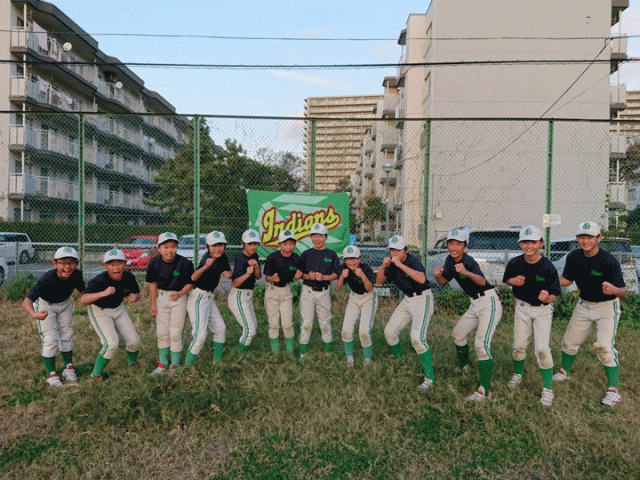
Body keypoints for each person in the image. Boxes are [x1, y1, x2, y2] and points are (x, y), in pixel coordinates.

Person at [552, 222, 626, 407]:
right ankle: (563, 373)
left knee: (604, 346)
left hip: (607, 307)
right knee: (569, 341)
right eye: (581, 237)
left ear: (599, 238)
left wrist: (614, 289)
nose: (585, 241)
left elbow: (623, 291)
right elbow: (567, 281)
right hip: (584, 304)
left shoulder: (609, 261)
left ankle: (613, 391)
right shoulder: (574, 256)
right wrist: (548, 279)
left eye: (590, 237)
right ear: (577, 239)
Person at [433, 229, 502, 401]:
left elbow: (481, 281)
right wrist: (438, 276)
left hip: (489, 302)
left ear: (465, 246)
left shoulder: (468, 261)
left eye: (458, 244)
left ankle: (484, 391)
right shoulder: (449, 260)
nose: (454, 247)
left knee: (481, 344)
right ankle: (464, 366)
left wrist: (465, 272)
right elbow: (442, 282)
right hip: (475, 303)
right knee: (458, 334)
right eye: (451, 243)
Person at [502, 226, 560, 407]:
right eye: (525, 242)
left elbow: (555, 293)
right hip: (522, 307)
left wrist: (548, 297)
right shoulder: (515, 263)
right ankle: (518, 374)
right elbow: (506, 279)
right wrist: (513, 281)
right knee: (519, 345)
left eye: (533, 242)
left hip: (542, 310)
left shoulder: (547, 266)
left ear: (540, 243)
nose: (529, 246)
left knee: (542, 349)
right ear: (520, 243)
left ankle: (548, 389)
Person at [377, 235, 435, 392]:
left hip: (423, 298)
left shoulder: (411, 261)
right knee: (389, 332)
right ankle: (399, 362)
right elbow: (379, 281)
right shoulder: (392, 262)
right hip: (407, 300)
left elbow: (422, 279)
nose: (394, 253)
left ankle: (430, 378)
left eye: (398, 250)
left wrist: (399, 265)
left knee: (417, 338)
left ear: (406, 250)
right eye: (392, 250)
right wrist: (384, 266)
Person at [22, 246, 85, 387]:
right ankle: (51, 373)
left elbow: (83, 291)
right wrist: (34, 314)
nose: (67, 267)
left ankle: (68, 367)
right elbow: (27, 301)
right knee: (50, 338)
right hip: (46, 305)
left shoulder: (77, 274)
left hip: (65, 303)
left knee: (67, 333)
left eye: (71, 263)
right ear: (54, 263)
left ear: (77, 263)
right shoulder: (47, 279)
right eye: (62, 262)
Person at [81, 249, 141, 382]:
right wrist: (103, 293)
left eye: (119, 263)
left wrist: (135, 297)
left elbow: (136, 294)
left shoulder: (129, 277)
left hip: (118, 309)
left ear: (125, 264)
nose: (116, 267)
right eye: (111, 264)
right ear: (105, 266)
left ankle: (133, 364)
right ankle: (95, 375)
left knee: (134, 341)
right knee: (111, 344)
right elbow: (83, 300)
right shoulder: (99, 280)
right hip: (100, 310)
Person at [146, 232, 194, 375]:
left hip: (178, 298)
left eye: (173, 247)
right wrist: (152, 304)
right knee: (162, 331)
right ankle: (162, 363)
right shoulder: (154, 262)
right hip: (162, 297)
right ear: (159, 248)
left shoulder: (184, 263)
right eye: (165, 247)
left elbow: (190, 283)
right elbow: (153, 284)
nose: (169, 250)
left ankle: (175, 364)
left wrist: (179, 294)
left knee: (175, 331)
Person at [186, 231, 232, 365]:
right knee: (200, 336)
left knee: (220, 329)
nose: (218, 248)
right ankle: (187, 367)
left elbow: (228, 270)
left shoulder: (223, 257)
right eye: (214, 245)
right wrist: (205, 266)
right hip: (198, 297)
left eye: (221, 245)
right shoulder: (206, 258)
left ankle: (217, 363)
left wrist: (229, 273)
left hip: (209, 297)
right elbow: (193, 278)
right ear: (207, 247)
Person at [298, 223, 341, 358]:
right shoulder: (306, 254)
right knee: (306, 323)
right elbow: (298, 274)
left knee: (325, 323)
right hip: (308, 291)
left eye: (320, 236)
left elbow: (337, 274)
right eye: (314, 236)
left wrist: (324, 277)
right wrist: (307, 276)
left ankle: (328, 353)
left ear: (326, 237)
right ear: (311, 237)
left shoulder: (331, 254)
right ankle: (302, 354)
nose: (317, 239)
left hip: (324, 291)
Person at [336, 245, 377, 367]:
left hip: (368, 297)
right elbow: (338, 288)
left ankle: (367, 360)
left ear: (360, 258)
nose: (351, 261)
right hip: (354, 297)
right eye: (348, 258)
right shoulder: (343, 268)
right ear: (344, 260)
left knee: (364, 331)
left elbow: (370, 289)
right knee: (346, 330)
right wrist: (342, 278)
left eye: (354, 258)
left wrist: (363, 276)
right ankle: (349, 359)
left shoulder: (365, 268)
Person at [263, 229, 302, 355]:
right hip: (272, 291)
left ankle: (290, 353)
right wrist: (272, 278)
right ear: (279, 245)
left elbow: (299, 274)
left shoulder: (296, 258)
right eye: (285, 244)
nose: (288, 247)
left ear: (295, 245)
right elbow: (267, 277)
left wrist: (298, 276)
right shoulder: (272, 258)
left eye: (291, 244)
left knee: (287, 324)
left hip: (286, 292)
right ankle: (275, 354)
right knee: (274, 324)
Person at [228, 228, 262, 353]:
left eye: (255, 244)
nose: (253, 247)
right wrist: (247, 275)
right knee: (250, 330)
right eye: (250, 244)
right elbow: (234, 283)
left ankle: (243, 351)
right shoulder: (241, 259)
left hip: (248, 295)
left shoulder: (255, 256)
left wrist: (256, 267)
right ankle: (239, 356)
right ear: (243, 244)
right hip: (238, 296)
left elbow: (258, 277)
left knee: (253, 327)